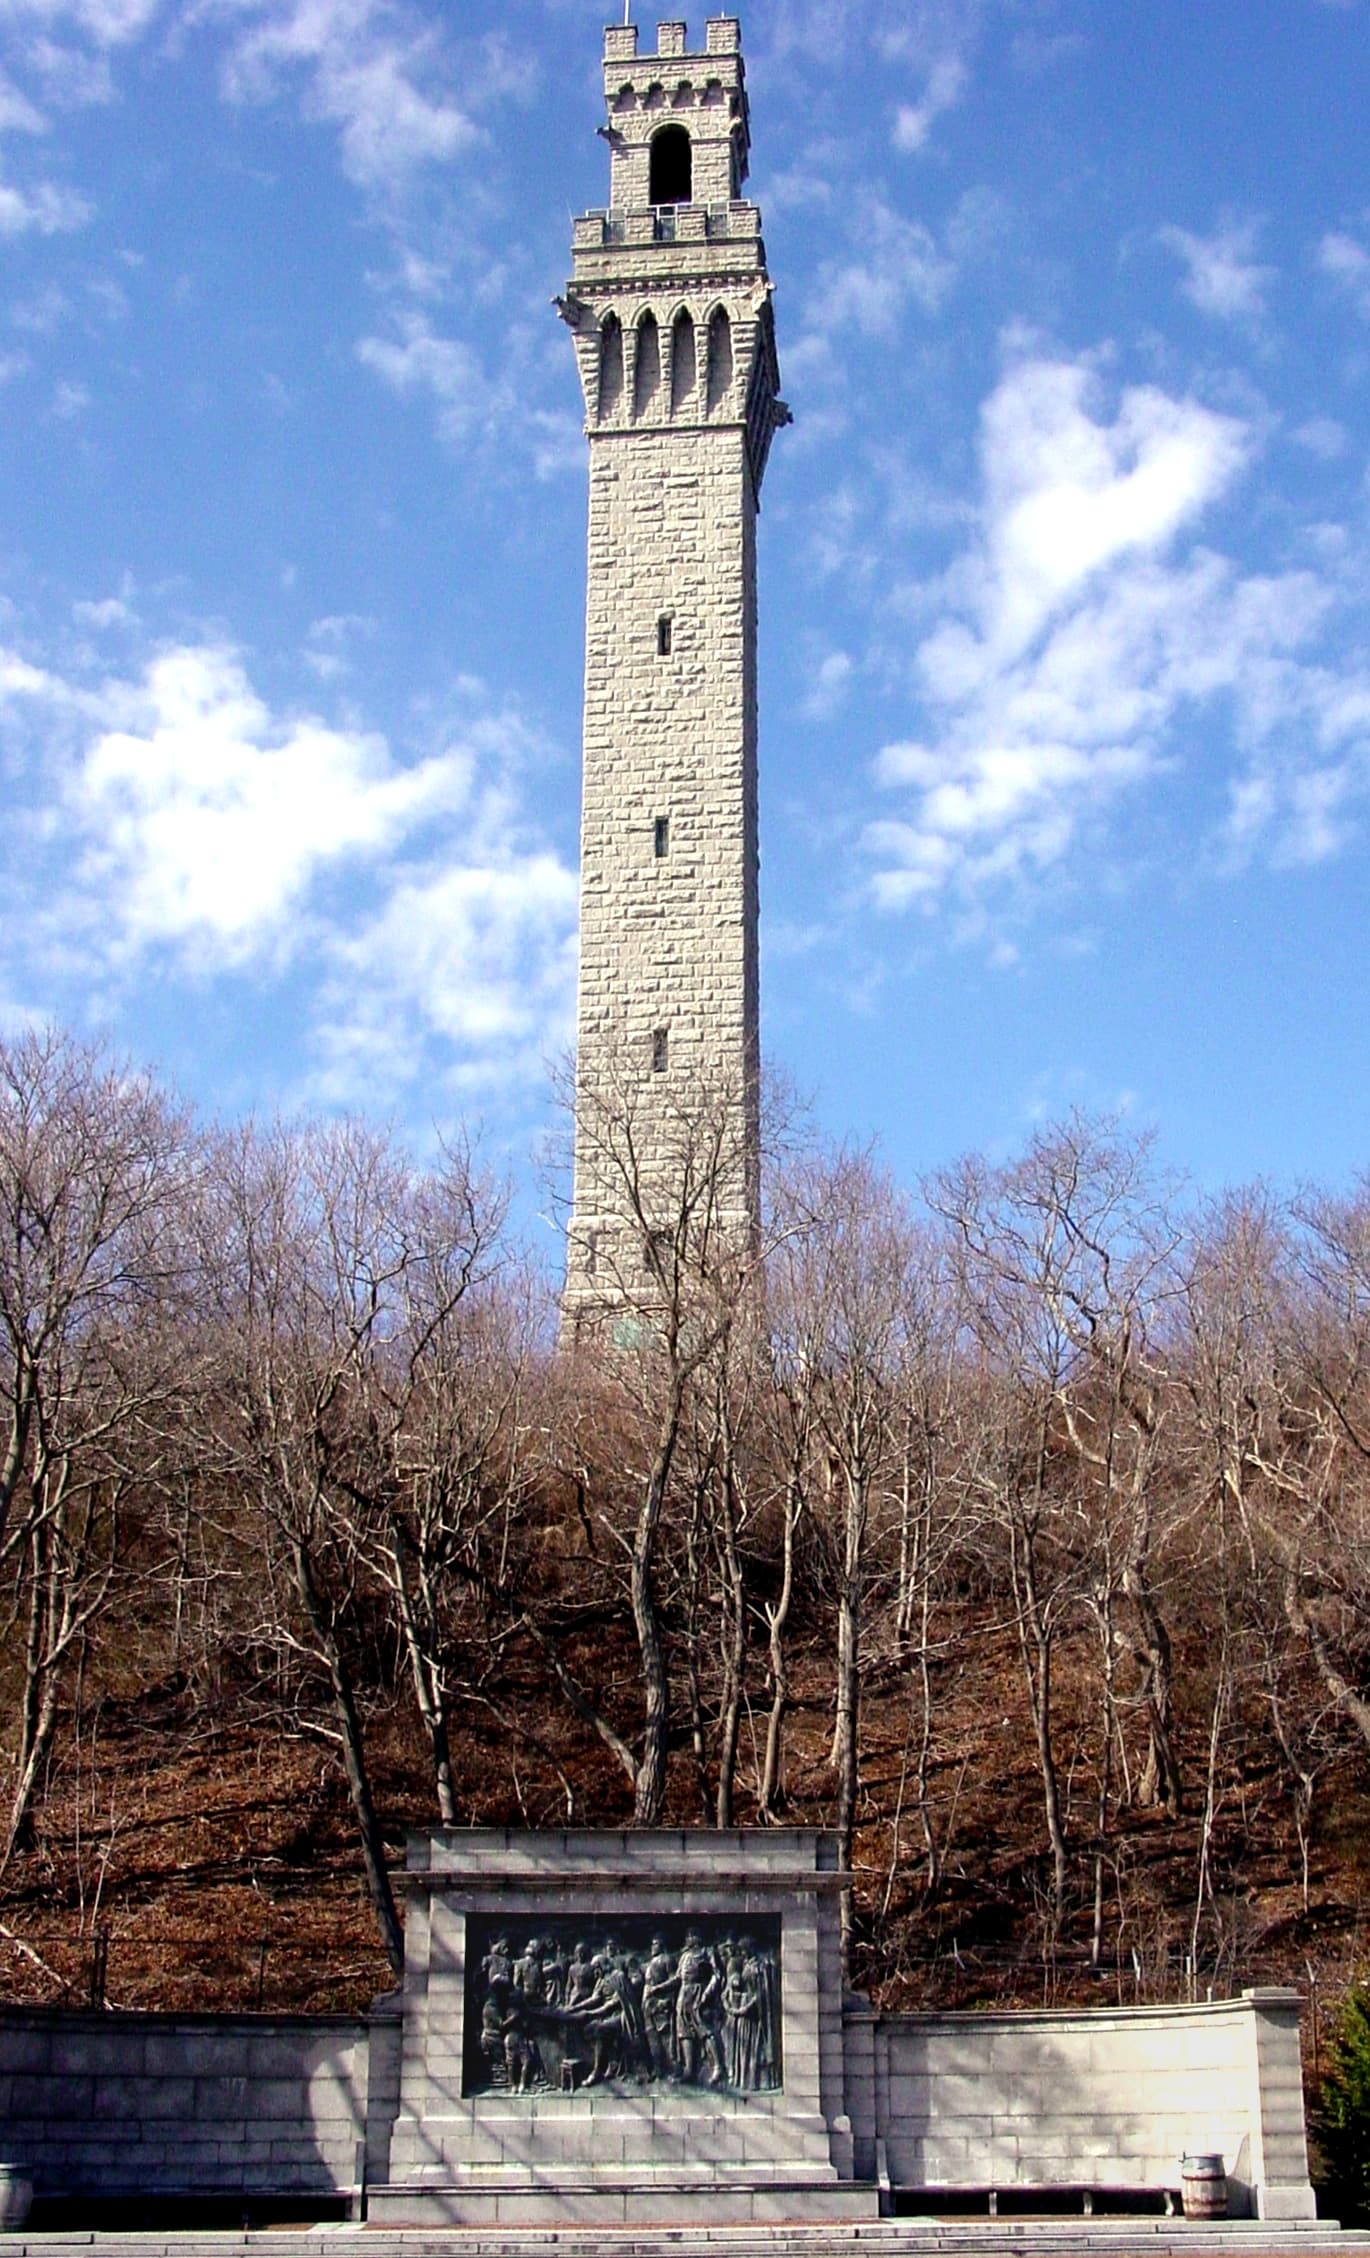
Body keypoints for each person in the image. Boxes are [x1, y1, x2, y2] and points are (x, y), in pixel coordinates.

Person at [674, 1929, 725, 2087]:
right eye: (687, 1936)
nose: (688, 1939)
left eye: (691, 1936)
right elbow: (677, 1978)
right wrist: (658, 1988)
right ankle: (689, 2070)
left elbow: (717, 1975)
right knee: (684, 2032)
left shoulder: (707, 1952)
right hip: (684, 1995)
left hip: (700, 1994)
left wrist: (706, 1994)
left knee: (705, 2030)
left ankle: (717, 2067)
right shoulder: (685, 1956)